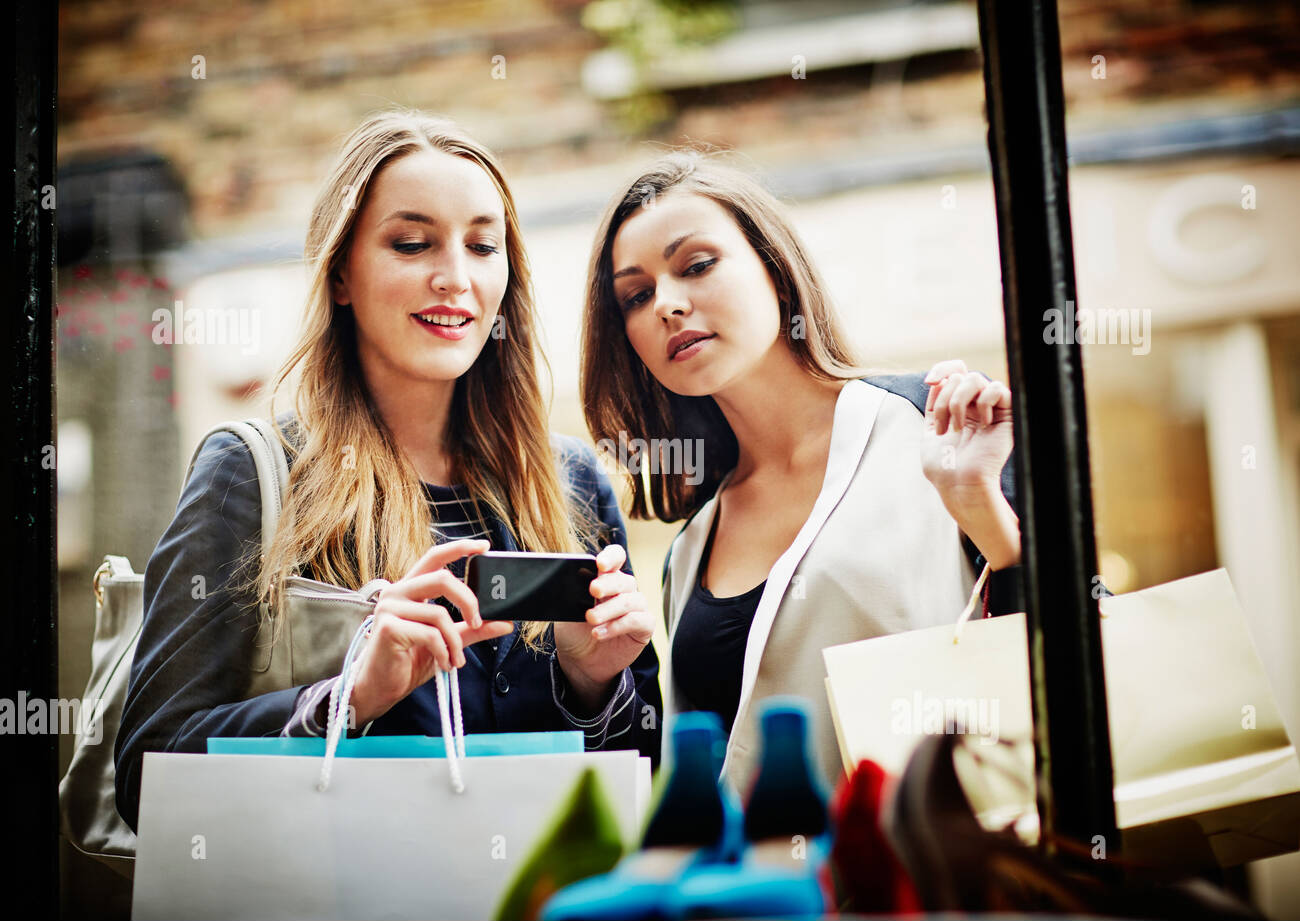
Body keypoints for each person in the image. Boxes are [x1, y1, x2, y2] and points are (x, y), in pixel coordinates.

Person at [115, 110, 661, 833]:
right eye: (411, 243)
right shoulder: (249, 474)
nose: (455, 278)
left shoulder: (573, 481)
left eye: (483, 245)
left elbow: (641, 776)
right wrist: (350, 697)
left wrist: (594, 687)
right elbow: (147, 775)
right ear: (341, 274)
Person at [580, 150, 1024, 798]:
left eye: (697, 265)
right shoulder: (691, 548)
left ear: (776, 272)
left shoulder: (940, 425)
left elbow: (1079, 648)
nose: (667, 305)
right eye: (636, 295)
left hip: (951, 881)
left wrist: (980, 507)